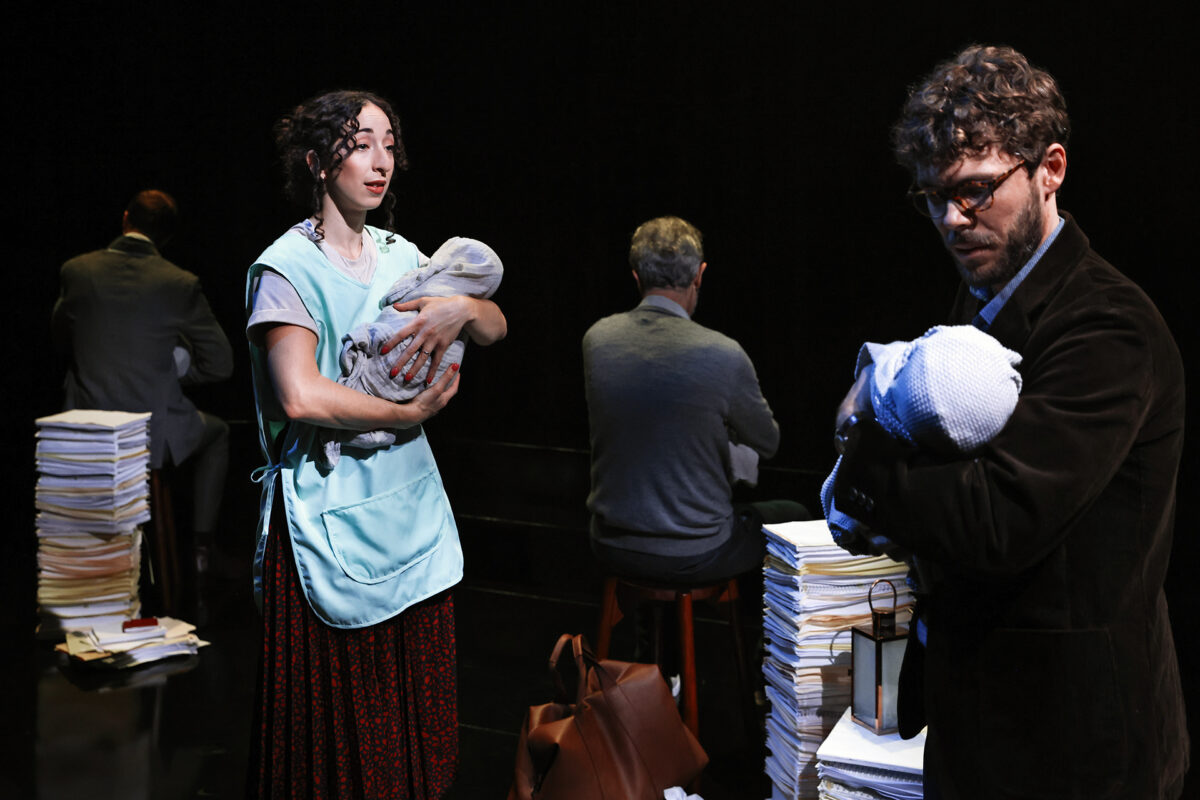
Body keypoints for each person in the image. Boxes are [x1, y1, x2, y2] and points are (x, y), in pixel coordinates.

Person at [832, 45, 1188, 798]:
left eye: (976, 191)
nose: (952, 220)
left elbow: (996, 520)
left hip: (1072, 745)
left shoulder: (1108, 327)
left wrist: (860, 432)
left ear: (1049, 168)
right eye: (932, 198)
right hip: (986, 720)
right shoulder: (982, 302)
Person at [244, 90, 506, 798]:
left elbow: (495, 326)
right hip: (331, 517)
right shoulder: (286, 269)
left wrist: (465, 307)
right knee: (343, 726)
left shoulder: (403, 256)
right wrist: (408, 410)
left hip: (407, 513)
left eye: (389, 143)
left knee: (411, 709)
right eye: (361, 143)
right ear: (316, 162)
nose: (381, 160)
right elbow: (300, 394)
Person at [583, 216, 806, 586]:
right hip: (695, 552)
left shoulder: (596, 340)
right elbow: (768, 442)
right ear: (700, 275)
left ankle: (649, 644)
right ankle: (767, 645)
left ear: (636, 277)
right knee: (793, 514)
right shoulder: (723, 354)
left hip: (610, 544)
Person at [52, 189, 233, 593]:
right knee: (219, 433)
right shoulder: (178, 282)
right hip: (150, 434)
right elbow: (220, 363)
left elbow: (61, 340)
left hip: (86, 427)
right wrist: (169, 370)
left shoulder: (76, 271)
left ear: (124, 219)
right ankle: (202, 552)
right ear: (167, 237)